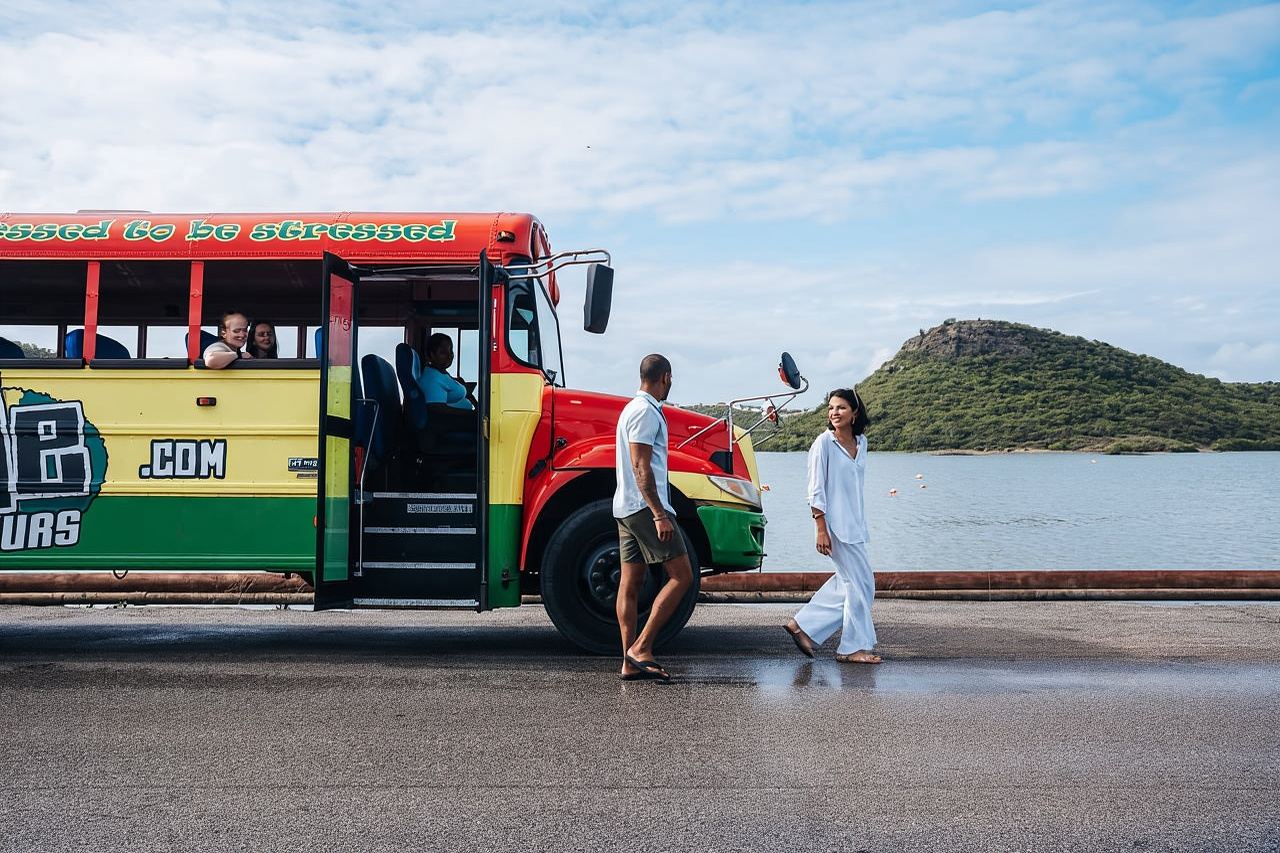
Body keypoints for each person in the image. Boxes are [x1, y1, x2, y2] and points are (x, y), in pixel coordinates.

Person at [784, 388, 882, 664]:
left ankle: (802, 626)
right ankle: (851, 648)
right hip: (834, 526)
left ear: (855, 413)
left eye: (840, 407)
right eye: (831, 408)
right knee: (861, 585)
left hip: (856, 526)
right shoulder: (824, 443)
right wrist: (820, 527)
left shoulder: (862, 443)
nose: (834, 412)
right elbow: (815, 489)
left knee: (851, 584)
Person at [613, 353, 694, 682]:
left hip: (626, 507)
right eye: (670, 380)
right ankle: (641, 647)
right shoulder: (646, 412)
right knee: (682, 576)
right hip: (645, 508)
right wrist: (659, 514)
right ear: (665, 377)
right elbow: (641, 466)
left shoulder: (630, 409)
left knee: (630, 584)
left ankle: (628, 662)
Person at [418, 333, 475, 411]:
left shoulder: (441, 373)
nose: (449, 356)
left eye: (451, 351)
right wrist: (472, 415)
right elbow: (438, 412)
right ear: (432, 355)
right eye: (443, 353)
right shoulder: (432, 379)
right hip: (456, 421)